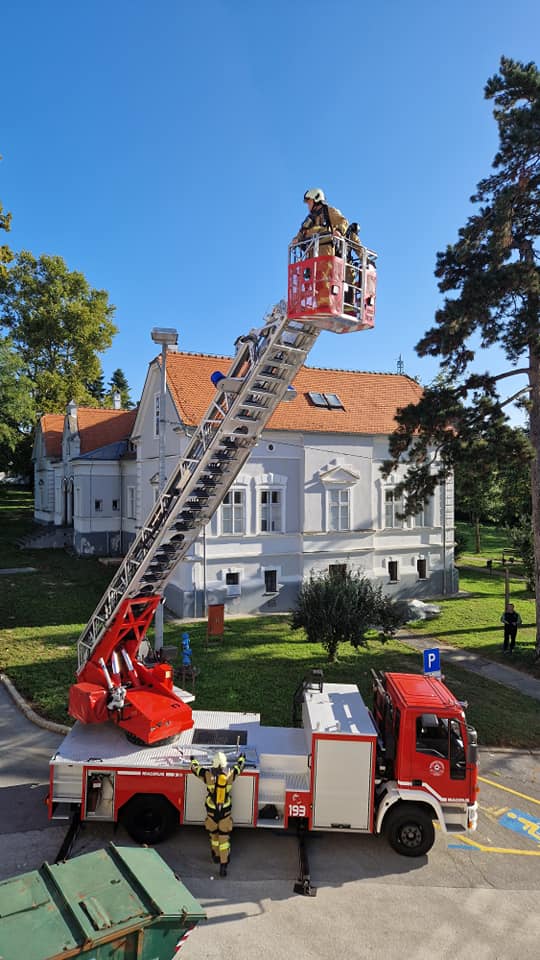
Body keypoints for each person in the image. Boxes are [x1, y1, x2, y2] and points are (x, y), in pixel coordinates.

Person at [191, 750, 246, 876]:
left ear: (214, 763)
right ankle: (223, 866)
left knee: (214, 836)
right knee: (224, 840)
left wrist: (193, 760)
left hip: (211, 813)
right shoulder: (229, 774)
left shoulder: (208, 775)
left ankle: (215, 856)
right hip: (225, 813)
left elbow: (195, 770)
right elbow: (239, 768)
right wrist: (241, 759)